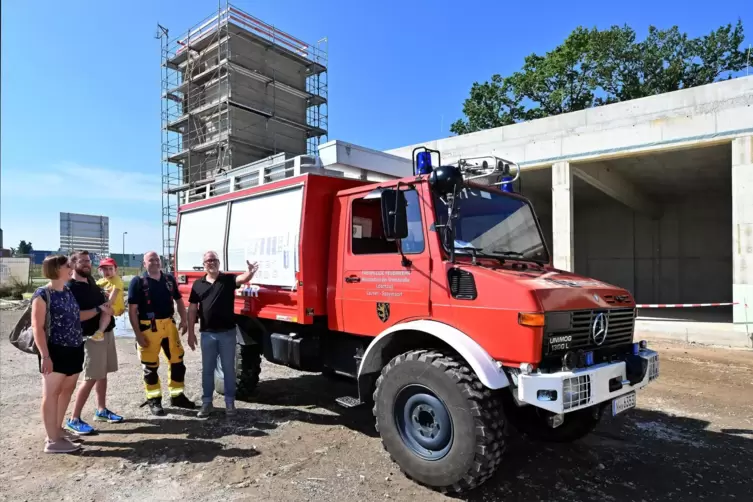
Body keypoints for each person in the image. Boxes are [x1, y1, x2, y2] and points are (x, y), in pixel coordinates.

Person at [187, 251, 258, 418]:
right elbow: (192, 310)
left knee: (228, 370)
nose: (211, 263)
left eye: (214, 260)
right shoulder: (198, 284)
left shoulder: (227, 280)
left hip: (227, 333)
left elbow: (243, 279)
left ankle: (229, 404)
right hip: (207, 335)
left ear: (219, 263)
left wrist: (250, 272)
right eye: (208, 260)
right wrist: (191, 333)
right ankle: (206, 403)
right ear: (203, 264)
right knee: (208, 370)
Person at [128, 251, 195, 416]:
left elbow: (179, 300)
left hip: (169, 325)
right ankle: (154, 399)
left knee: (178, 361)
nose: (155, 262)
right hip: (148, 327)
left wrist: (184, 320)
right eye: (151, 260)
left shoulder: (169, 279)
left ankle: (177, 395)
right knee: (150, 366)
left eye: (157, 259)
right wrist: (138, 334)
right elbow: (132, 310)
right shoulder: (137, 282)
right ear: (144, 264)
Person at [65, 250, 124, 435]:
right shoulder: (70, 287)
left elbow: (107, 303)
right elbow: (75, 317)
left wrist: (111, 306)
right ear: (73, 264)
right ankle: (74, 419)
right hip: (91, 337)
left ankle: (101, 410)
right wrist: (98, 309)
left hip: (106, 333)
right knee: (90, 377)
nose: (86, 264)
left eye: (88, 261)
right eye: (82, 261)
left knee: (102, 373)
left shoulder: (92, 282)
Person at [32, 255, 84, 453]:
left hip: (74, 348)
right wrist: (45, 356)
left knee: (66, 390)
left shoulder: (68, 291)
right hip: (55, 350)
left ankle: (58, 429)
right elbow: (38, 327)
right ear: (56, 269)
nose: (71, 268)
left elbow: (76, 317)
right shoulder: (42, 294)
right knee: (51, 393)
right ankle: (52, 441)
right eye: (67, 265)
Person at [93, 257, 125, 341]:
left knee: (105, 312)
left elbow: (114, 292)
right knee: (104, 311)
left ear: (116, 269)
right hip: (109, 304)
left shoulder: (117, 280)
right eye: (105, 269)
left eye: (111, 269)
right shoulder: (101, 281)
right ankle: (100, 330)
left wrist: (109, 302)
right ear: (100, 270)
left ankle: (100, 331)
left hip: (116, 305)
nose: (108, 272)